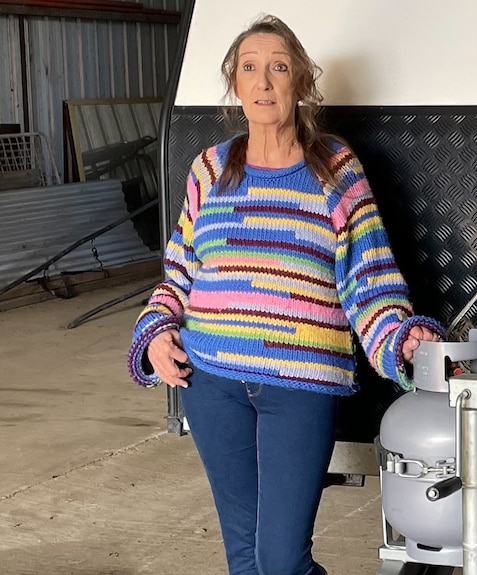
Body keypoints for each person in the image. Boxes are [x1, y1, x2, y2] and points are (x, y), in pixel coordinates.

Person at [127, 14, 444, 575]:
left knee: (280, 560)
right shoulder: (209, 169)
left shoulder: (336, 170)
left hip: (299, 386)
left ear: (300, 81)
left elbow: (367, 282)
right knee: (244, 557)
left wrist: (403, 340)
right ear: (235, 84)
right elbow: (178, 272)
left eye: (278, 67)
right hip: (211, 381)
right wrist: (155, 332)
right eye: (250, 68)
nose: (264, 81)